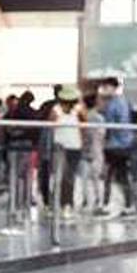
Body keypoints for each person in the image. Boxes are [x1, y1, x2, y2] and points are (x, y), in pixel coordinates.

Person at [99, 77, 137, 216]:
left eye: (106, 87)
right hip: (124, 144)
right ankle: (128, 204)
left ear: (113, 87)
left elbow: (110, 126)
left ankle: (107, 204)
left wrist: (106, 139)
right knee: (122, 176)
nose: (104, 90)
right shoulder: (125, 102)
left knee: (110, 175)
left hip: (115, 146)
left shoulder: (113, 104)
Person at [50, 87, 84, 219]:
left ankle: (67, 204)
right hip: (60, 147)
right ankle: (58, 203)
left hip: (75, 147)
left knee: (70, 178)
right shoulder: (56, 111)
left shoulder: (79, 111)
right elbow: (51, 125)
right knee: (60, 177)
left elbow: (84, 125)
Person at [79, 91, 106, 211]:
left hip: (84, 150)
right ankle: (98, 201)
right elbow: (102, 134)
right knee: (96, 179)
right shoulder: (100, 118)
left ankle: (86, 201)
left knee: (84, 179)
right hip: (96, 150)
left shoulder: (83, 118)